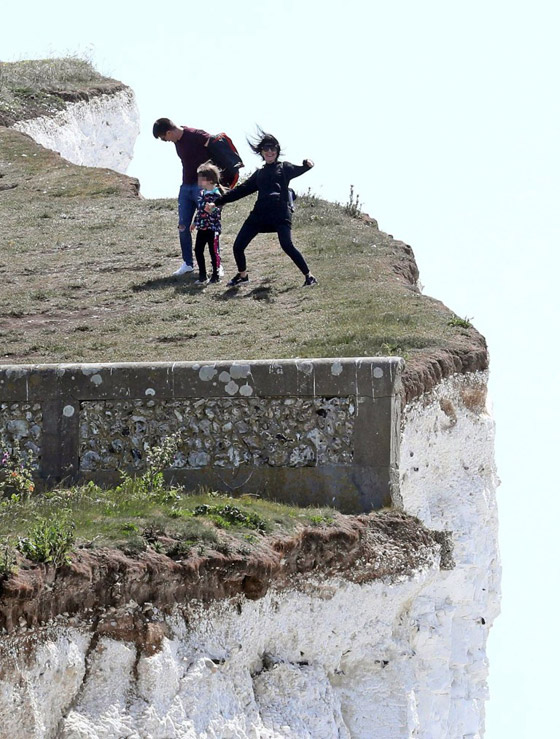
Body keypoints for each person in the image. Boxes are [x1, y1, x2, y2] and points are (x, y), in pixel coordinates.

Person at [207, 130, 318, 287]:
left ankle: (309, 276)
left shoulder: (284, 168)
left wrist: (308, 164)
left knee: (287, 245)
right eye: (266, 149)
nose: (270, 152)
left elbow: (301, 168)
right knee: (238, 246)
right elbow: (241, 190)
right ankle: (243, 276)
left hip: (280, 214)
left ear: (277, 151)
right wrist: (217, 202)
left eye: (273, 149)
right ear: (261, 152)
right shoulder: (259, 174)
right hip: (260, 215)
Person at [153, 118, 223, 277]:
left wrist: (215, 180)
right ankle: (188, 263)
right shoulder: (177, 141)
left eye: (164, 138)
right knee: (183, 226)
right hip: (185, 188)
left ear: (169, 132)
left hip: (201, 187)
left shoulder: (195, 135)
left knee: (209, 226)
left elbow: (217, 145)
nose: (166, 141)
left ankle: (216, 265)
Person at [191, 162, 224, 285]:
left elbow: (218, 210)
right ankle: (202, 275)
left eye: (201, 178)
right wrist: (195, 222)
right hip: (202, 228)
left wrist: (212, 209)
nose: (198, 181)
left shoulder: (217, 195)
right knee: (198, 250)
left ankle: (215, 275)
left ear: (210, 180)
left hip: (212, 228)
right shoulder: (202, 194)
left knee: (213, 251)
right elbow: (199, 210)